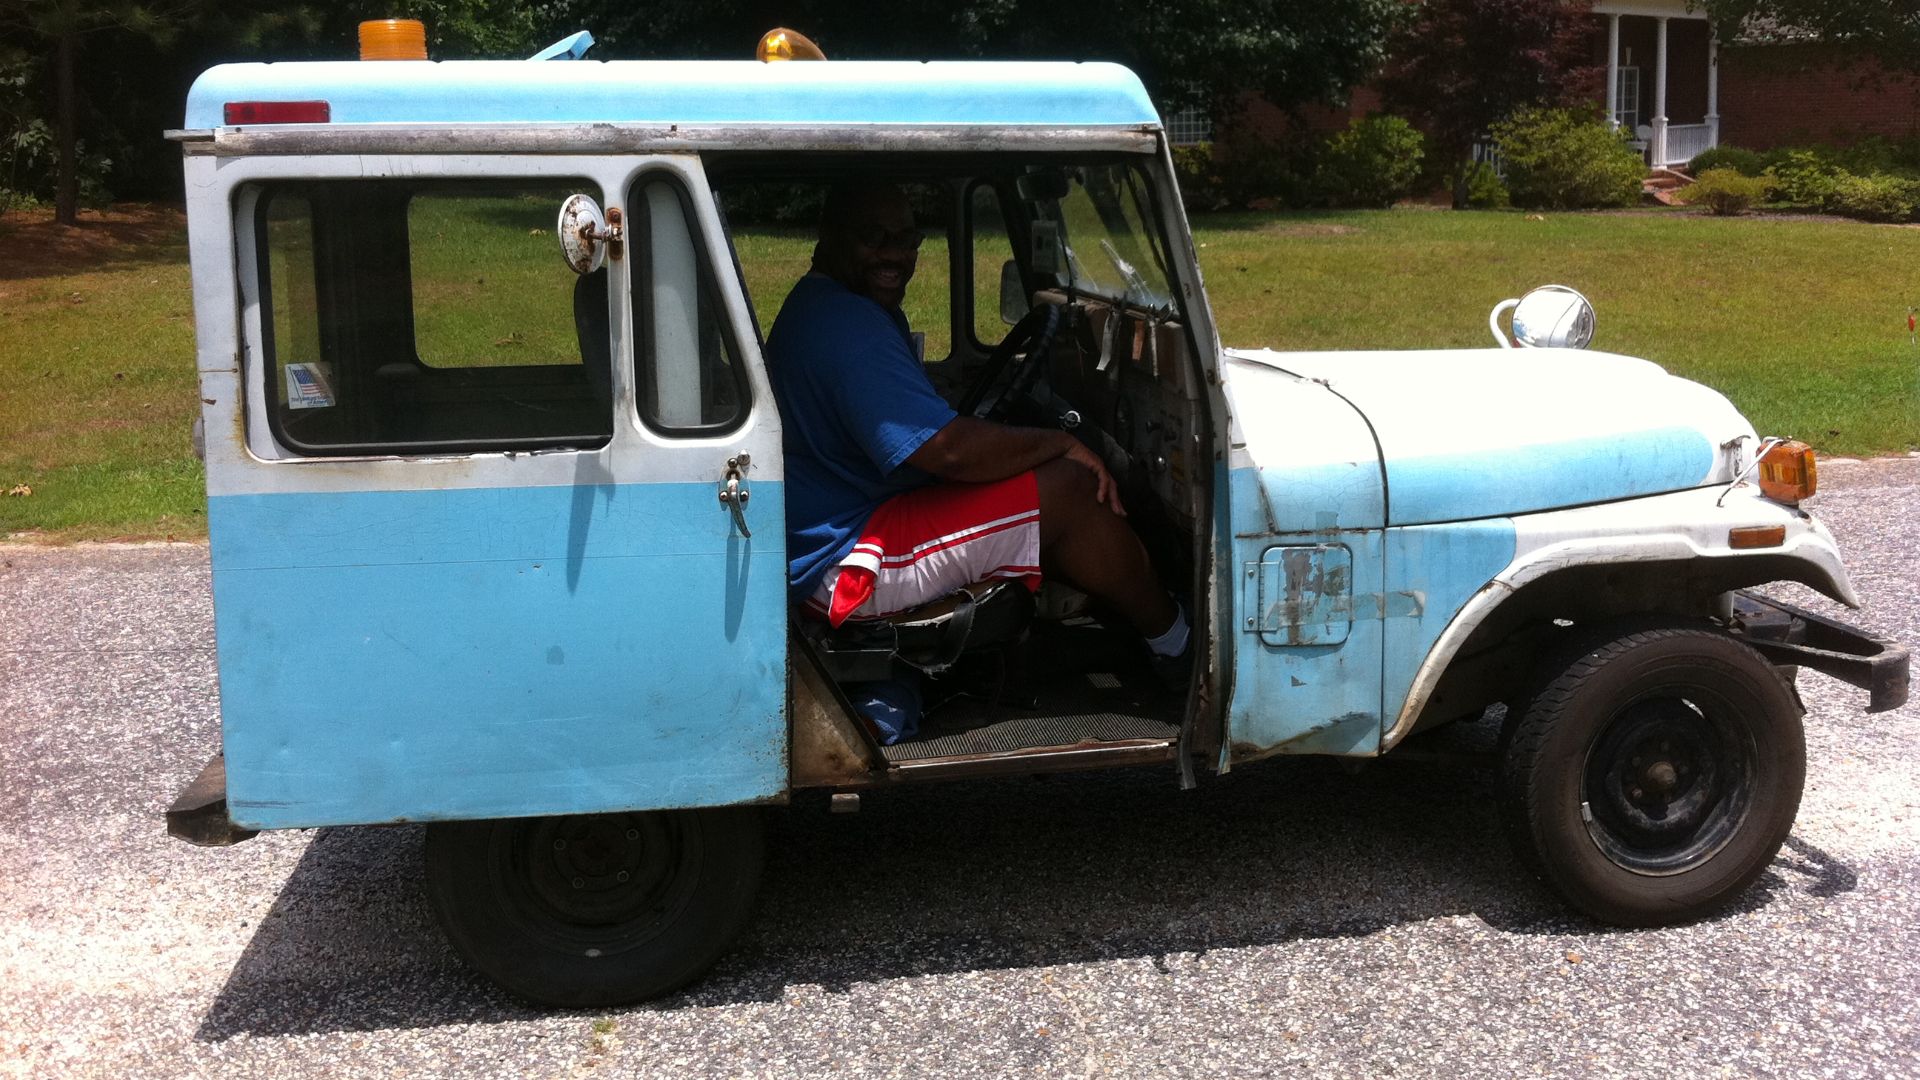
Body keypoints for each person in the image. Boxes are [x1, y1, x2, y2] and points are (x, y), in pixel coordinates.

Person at [764, 180, 1189, 671]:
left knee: (1031, 490)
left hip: (849, 521)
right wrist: (1060, 442)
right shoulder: (847, 325)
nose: (895, 255)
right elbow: (949, 453)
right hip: (849, 558)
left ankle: (1107, 616)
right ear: (829, 236)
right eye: (873, 238)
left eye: (906, 242)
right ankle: (1177, 644)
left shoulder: (832, 305)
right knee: (1071, 488)